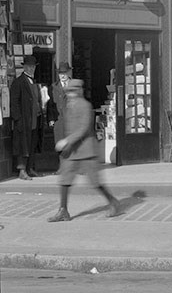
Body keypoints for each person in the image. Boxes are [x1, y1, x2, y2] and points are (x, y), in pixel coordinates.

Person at [48, 78, 123, 222]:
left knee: (94, 181)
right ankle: (63, 210)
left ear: (79, 91)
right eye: (68, 92)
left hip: (86, 151)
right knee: (64, 178)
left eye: (72, 92)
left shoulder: (85, 106)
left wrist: (66, 141)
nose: (69, 94)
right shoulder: (68, 105)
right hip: (72, 152)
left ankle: (112, 201)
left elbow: (83, 128)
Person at [10, 54, 43, 180]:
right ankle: (22, 170)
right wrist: (17, 119)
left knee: (31, 144)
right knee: (22, 145)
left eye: (33, 67)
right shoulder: (18, 82)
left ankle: (29, 168)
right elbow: (14, 102)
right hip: (24, 120)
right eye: (29, 66)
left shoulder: (33, 82)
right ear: (24, 67)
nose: (31, 69)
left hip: (34, 119)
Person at [47, 61, 72, 145]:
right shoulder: (53, 87)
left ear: (69, 72)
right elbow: (50, 105)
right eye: (61, 73)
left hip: (72, 121)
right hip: (59, 121)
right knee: (60, 146)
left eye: (65, 73)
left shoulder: (75, 86)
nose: (63, 75)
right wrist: (51, 119)